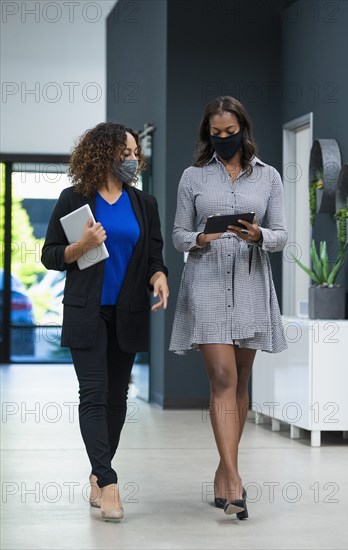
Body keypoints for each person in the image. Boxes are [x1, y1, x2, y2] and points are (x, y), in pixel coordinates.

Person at [41, 122, 169, 521]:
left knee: (117, 399)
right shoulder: (73, 199)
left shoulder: (143, 204)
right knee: (93, 395)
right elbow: (49, 256)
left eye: (135, 153)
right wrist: (82, 246)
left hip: (126, 313)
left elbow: (153, 255)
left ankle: (97, 475)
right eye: (124, 153)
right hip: (87, 310)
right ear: (102, 154)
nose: (131, 159)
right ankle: (109, 481)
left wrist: (159, 275)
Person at [169, 96, 288, 520]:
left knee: (241, 383)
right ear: (208, 135)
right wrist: (201, 239)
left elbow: (282, 235)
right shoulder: (193, 177)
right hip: (207, 281)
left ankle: (223, 471)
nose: (223, 139)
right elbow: (179, 234)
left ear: (243, 130)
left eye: (229, 132)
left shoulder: (269, 176)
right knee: (222, 376)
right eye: (215, 134)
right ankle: (236, 481)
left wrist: (259, 235)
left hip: (252, 279)